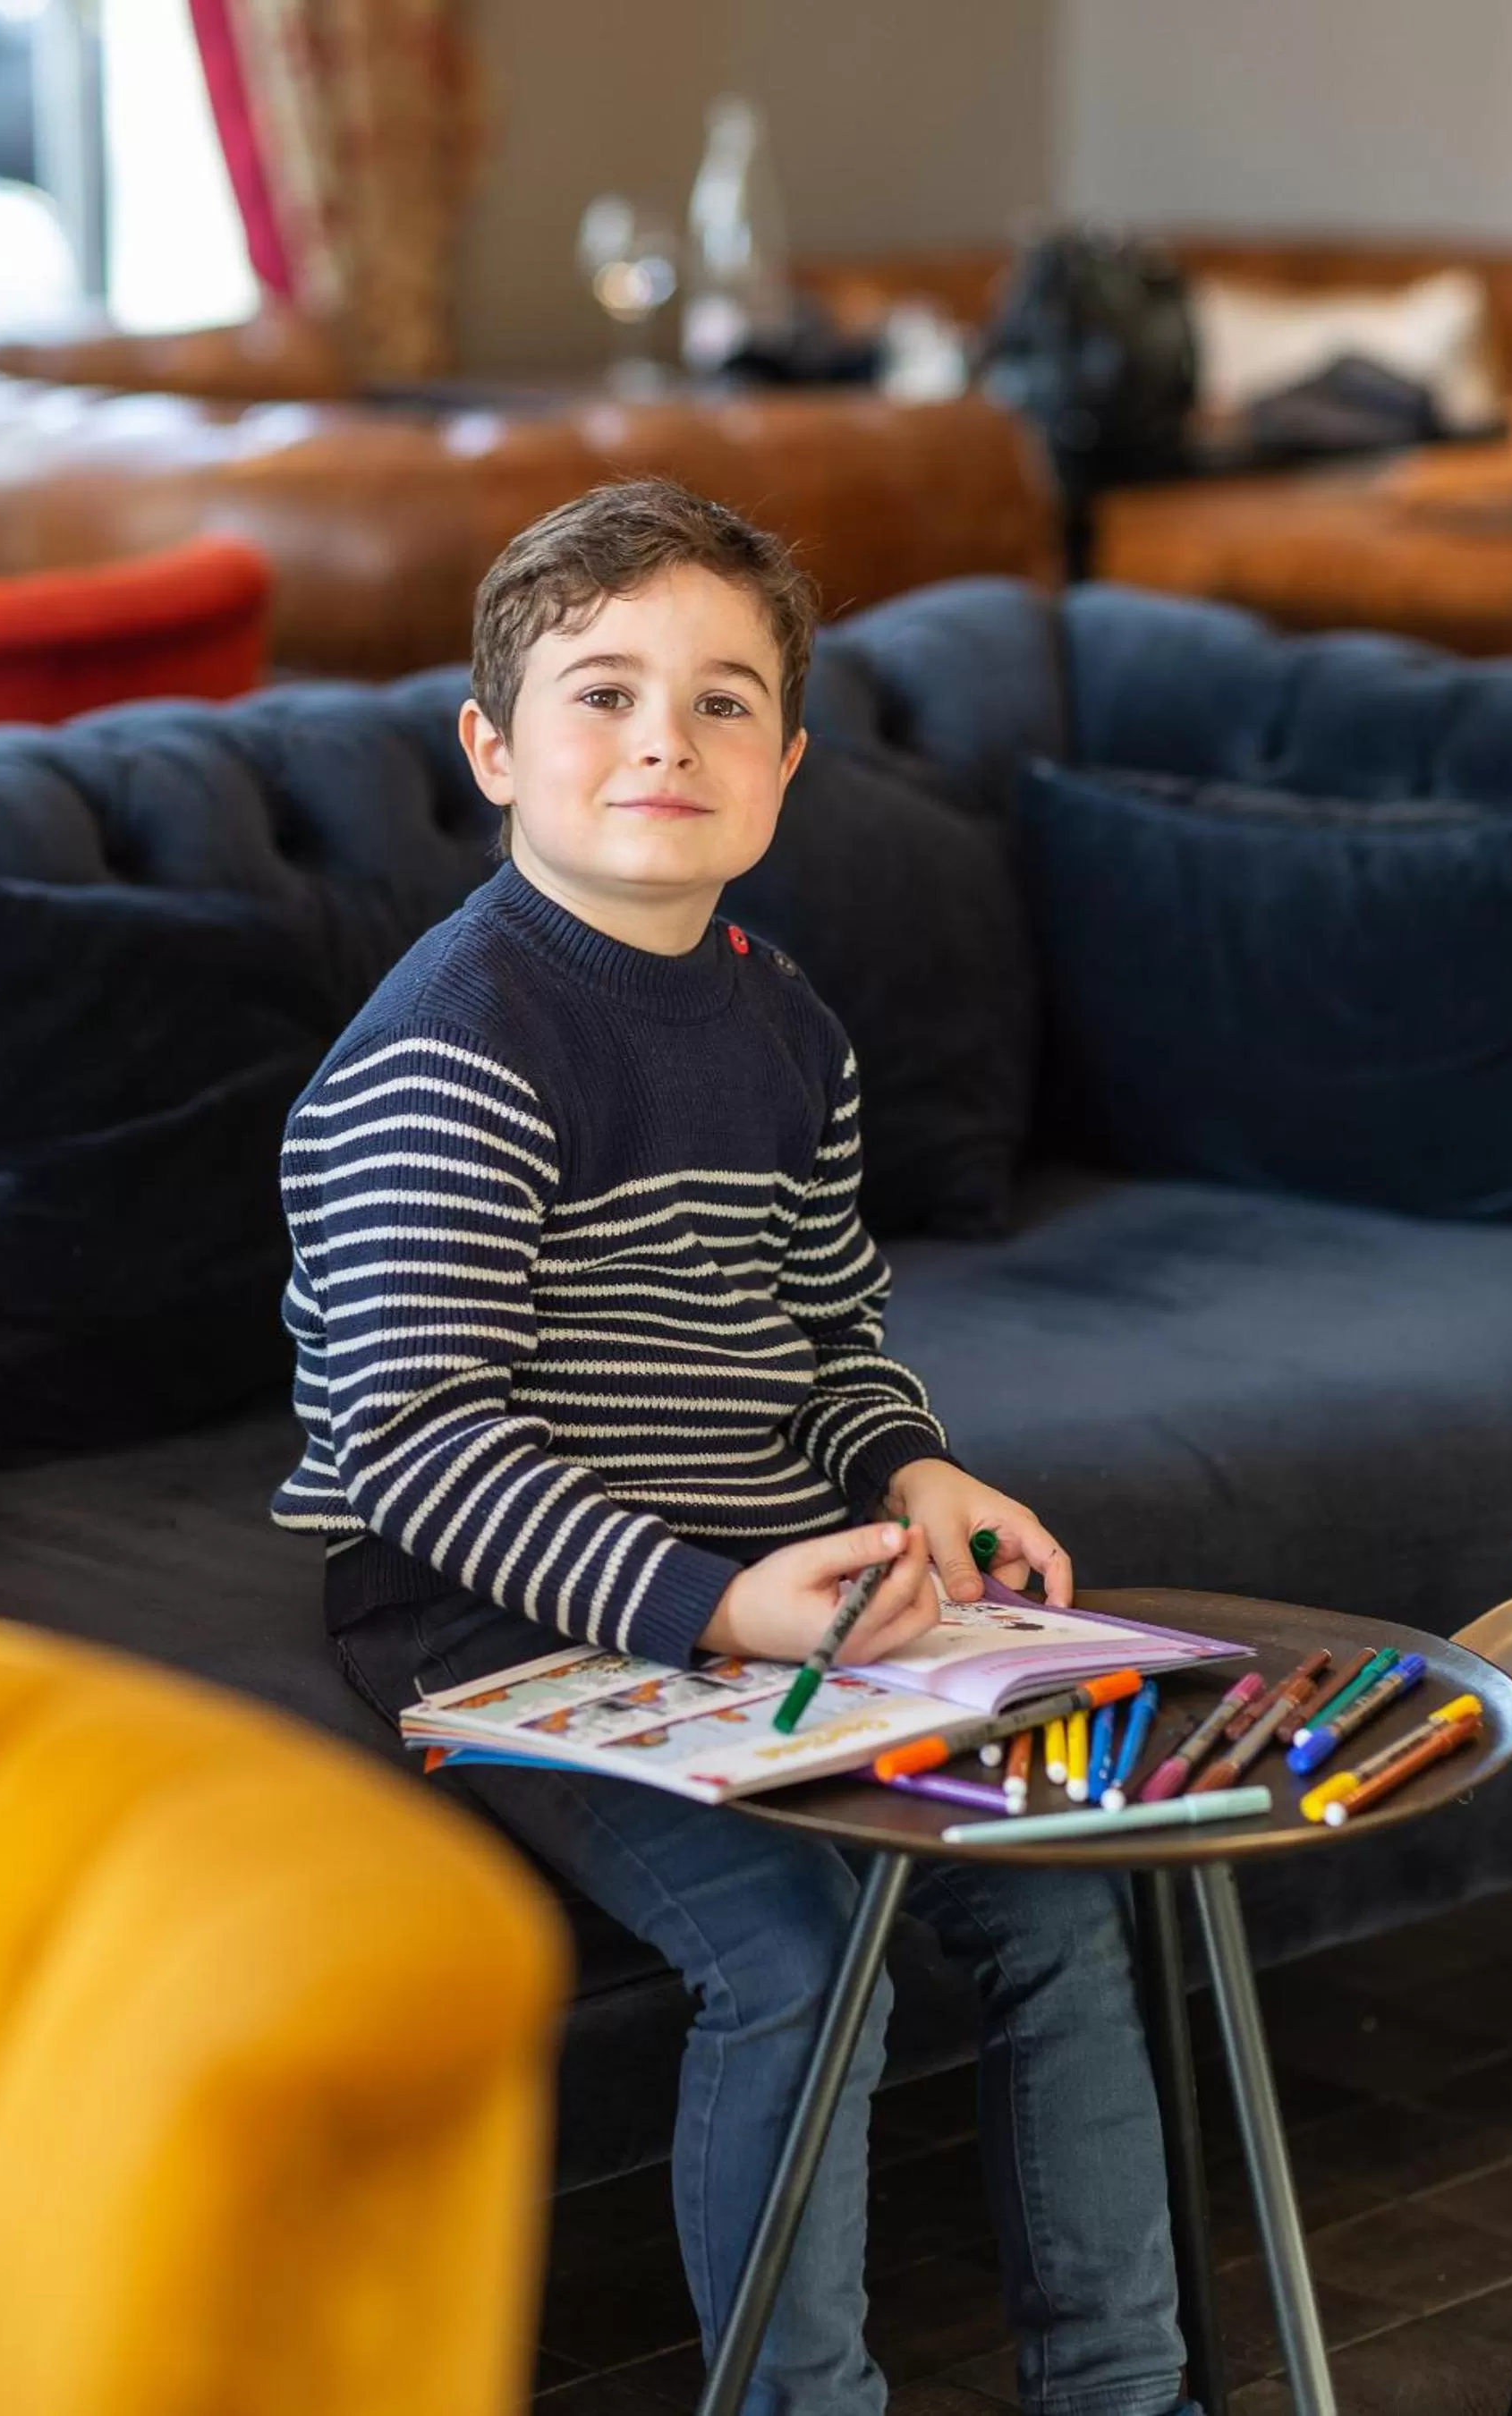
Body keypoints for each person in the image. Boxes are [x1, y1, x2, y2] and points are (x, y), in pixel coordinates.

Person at [272, 478, 1197, 2416]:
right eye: (603, 694)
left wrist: (905, 1471)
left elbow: (826, 1334)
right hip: (498, 1628)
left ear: (784, 762)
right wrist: (714, 1605)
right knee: (792, 1950)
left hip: (774, 1584)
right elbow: (415, 1438)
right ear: (493, 747)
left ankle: (1128, 2388)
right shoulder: (458, 1039)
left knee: (1070, 1880)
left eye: (719, 704)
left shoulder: (788, 1029)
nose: (661, 744)